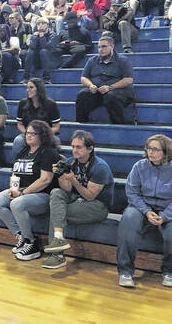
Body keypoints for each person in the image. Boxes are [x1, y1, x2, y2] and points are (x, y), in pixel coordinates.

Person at [42, 130, 114, 269]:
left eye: (79, 147)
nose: (74, 150)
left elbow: (90, 196)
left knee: (57, 212)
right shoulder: (70, 162)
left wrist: (74, 181)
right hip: (77, 199)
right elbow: (67, 189)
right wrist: (61, 175)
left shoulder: (100, 167)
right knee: (56, 192)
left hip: (98, 206)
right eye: (73, 146)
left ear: (90, 148)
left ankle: (57, 255)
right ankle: (58, 238)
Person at [0, 120, 59, 261]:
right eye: (27, 133)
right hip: (22, 191)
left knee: (16, 203)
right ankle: (21, 234)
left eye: (33, 133)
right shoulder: (24, 151)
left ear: (42, 135)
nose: (29, 136)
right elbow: (15, 174)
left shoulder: (48, 153)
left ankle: (32, 243)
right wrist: (13, 189)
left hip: (43, 195)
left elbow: (45, 180)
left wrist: (22, 193)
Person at [116, 134, 172, 288]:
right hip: (141, 206)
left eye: (155, 149)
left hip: (167, 209)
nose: (150, 152)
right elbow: (132, 193)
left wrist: (165, 216)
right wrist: (146, 211)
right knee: (128, 219)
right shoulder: (139, 166)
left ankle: (169, 272)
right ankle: (125, 272)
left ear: (166, 152)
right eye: (148, 148)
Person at [75, 35, 135, 124]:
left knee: (111, 97)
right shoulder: (92, 60)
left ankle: (119, 126)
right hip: (99, 91)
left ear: (112, 47)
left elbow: (129, 79)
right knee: (82, 95)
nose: (100, 49)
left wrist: (110, 87)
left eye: (104, 46)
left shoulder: (123, 60)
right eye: (99, 47)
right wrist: (91, 85)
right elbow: (84, 78)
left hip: (119, 91)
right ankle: (82, 125)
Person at [12, 78, 61, 159]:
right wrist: (28, 133)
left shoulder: (51, 104)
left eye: (31, 87)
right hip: (28, 133)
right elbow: (20, 124)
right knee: (18, 141)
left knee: (55, 142)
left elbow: (56, 126)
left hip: (46, 134)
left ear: (39, 89)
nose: (28, 90)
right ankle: (17, 166)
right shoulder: (22, 103)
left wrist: (42, 135)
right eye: (27, 88)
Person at [22, 17, 59, 84]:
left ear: (48, 25)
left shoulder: (53, 35)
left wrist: (42, 37)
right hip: (38, 61)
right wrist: (35, 37)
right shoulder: (34, 35)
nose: (40, 25)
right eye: (38, 24)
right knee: (30, 52)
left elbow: (47, 47)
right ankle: (26, 78)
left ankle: (47, 78)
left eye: (43, 23)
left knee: (43, 51)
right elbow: (32, 46)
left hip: (49, 61)